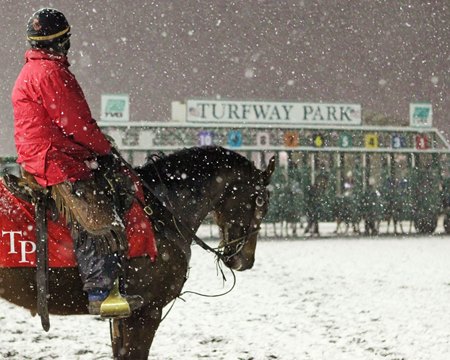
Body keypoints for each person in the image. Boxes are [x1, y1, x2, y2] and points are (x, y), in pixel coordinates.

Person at [11, 8, 157, 316]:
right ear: (62, 42)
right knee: (97, 213)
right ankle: (101, 293)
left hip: (50, 154)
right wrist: (105, 149)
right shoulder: (51, 73)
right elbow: (76, 123)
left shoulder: (35, 70)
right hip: (56, 160)